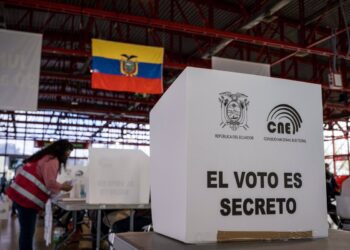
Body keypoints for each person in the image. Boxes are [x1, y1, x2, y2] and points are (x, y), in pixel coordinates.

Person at [6, 139, 74, 250]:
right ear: (62, 150)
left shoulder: (45, 156)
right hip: (27, 200)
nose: (68, 155)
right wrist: (62, 186)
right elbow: (50, 183)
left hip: (19, 196)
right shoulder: (53, 160)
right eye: (68, 152)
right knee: (27, 233)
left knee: (25, 232)